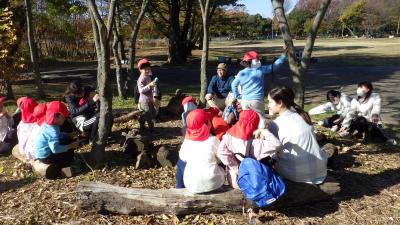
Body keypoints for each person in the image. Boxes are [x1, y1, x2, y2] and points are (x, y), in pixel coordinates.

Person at [260, 85, 327, 184]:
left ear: (280, 103)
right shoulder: (303, 115)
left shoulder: (275, 124)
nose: (268, 105)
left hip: (296, 174)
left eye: (270, 102)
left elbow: (271, 149)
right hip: (320, 170)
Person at [218, 110, 282, 189]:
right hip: (254, 181)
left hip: (237, 180)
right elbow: (277, 144)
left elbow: (221, 152)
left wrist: (235, 166)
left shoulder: (228, 136)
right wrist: (264, 131)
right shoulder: (256, 143)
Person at [231, 47, 287, 128]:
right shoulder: (260, 70)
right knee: (261, 119)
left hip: (245, 100)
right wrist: (283, 55)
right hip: (257, 100)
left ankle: (249, 135)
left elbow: (233, 85)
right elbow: (275, 66)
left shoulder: (241, 73)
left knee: (248, 119)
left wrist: (238, 97)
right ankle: (261, 135)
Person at [176, 109, 225, 193]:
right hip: (214, 183)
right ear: (206, 124)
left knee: (180, 162)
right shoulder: (213, 139)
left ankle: (179, 188)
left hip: (192, 185)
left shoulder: (187, 141)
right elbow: (221, 158)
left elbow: (183, 157)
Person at [34, 101, 79, 170]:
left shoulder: (47, 123)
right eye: (64, 117)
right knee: (69, 149)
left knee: (67, 141)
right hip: (46, 157)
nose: (65, 119)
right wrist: (70, 146)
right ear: (58, 115)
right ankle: (65, 166)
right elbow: (55, 149)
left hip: (40, 153)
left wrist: (68, 135)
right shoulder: (53, 130)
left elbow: (58, 135)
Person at [137, 58, 158, 132]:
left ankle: (141, 120)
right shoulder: (141, 79)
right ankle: (151, 130)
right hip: (144, 101)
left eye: (148, 68)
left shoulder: (148, 76)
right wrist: (149, 85)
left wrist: (154, 97)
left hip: (150, 100)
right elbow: (141, 90)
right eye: (145, 69)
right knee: (149, 115)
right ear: (140, 70)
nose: (147, 70)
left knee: (151, 113)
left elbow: (153, 89)